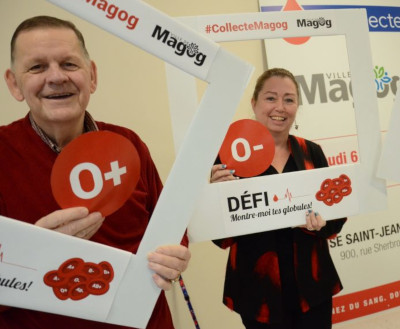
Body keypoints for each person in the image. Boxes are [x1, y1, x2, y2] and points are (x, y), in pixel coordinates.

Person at [0, 15, 191, 329]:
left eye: (69, 64)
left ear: (92, 76)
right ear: (13, 83)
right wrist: (33, 258)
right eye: (37, 67)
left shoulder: (128, 144)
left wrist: (175, 254)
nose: (56, 77)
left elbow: (170, 225)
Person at [210, 68, 346, 329]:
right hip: (257, 290)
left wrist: (321, 224)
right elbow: (221, 238)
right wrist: (216, 197)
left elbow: (335, 218)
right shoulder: (230, 158)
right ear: (254, 103)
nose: (280, 108)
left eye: (289, 99)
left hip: (312, 285)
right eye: (271, 98)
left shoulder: (311, 152)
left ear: (297, 106)